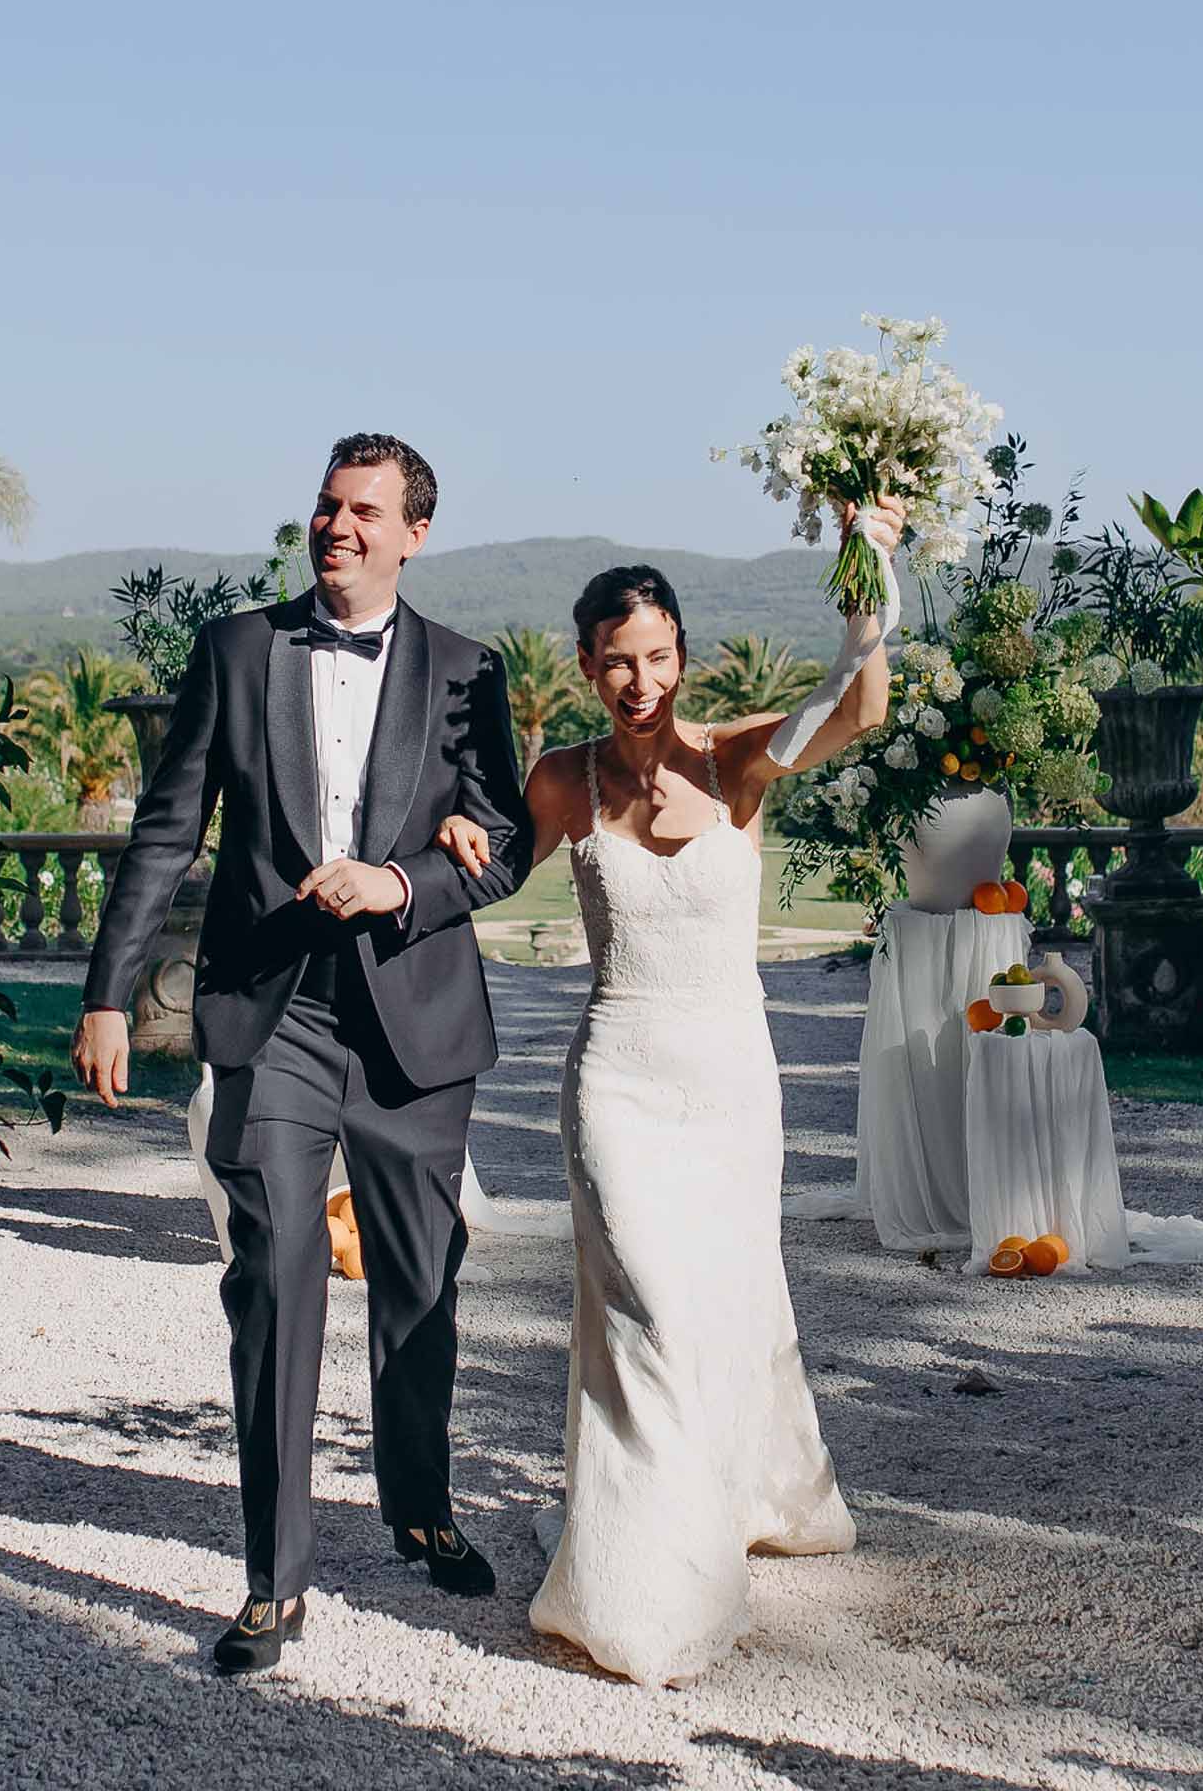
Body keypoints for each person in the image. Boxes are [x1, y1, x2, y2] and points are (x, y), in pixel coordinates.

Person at [71, 434, 532, 1673]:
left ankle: (420, 1505)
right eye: (328, 505)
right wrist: (108, 992)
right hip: (271, 1014)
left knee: (419, 1280)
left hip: (414, 1022)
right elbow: (167, 829)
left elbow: (506, 838)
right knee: (274, 1278)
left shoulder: (466, 668)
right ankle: (273, 1580)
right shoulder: (235, 649)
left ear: (414, 533)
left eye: (364, 510)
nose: (337, 525)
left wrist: (402, 880)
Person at [435, 498, 905, 1686]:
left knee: (726, 1298)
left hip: (731, 1079)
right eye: (614, 660)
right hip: (618, 1079)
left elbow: (859, 706)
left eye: (655, 656)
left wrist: (869, 574)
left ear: (682, 655)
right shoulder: (563, 778)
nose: (637, 680)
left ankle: (742, 1494)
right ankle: (646, 1579)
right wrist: (443, 833)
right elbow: (485, 869)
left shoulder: (735, 758)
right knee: (644, 1306)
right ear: (585, 664)